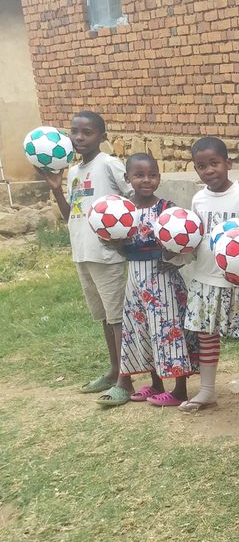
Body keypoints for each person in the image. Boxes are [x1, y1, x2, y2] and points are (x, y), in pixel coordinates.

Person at [39, 111, 131, 396]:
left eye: (87, 132)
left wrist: (122, 235)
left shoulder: (109, 164)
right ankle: (113, 370)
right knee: (104, 317)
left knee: (117, 318)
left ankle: (125, 381)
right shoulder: (74, 172)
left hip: (106, 253)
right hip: (83, 252)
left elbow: (134, 196)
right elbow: (72, 216)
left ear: (102, 136)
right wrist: (57, 190)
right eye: (74, 132)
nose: (79, 138)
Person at [105, 153, 196, 407]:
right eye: (139, 175)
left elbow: (184, 242)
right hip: (135, 280)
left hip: (162, 280)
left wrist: (173, 256)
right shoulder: (121, 211)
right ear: (127, 178)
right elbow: (123, 250)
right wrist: (113, 242)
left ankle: (180, 389)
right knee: (143, 329)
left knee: (168, 329)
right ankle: (156, 384)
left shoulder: (166, 210)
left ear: (159, 177)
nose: (147, 180)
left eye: (152, 175)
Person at [180, 137, 239, 413]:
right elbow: (195, 234)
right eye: (202, 166)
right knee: (206, 335)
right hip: (205, 278)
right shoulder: (198, 199)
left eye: (215, 163)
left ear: (228, 163)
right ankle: (207, 390)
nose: (209, 170)